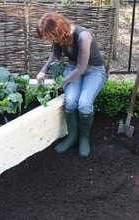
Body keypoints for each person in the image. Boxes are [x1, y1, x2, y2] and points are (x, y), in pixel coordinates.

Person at [36, 12, 106, 157]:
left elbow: (82, 67)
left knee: (84, 103)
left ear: (58, 31)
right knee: (71, 102)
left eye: (50, 36)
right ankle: (72, 137)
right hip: (73, 68)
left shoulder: (83, 36)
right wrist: (43, 71)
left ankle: (83, 138)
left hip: (93, 71)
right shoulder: (59, 38)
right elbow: (55, 55)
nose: (49, 39)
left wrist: (62, 81)